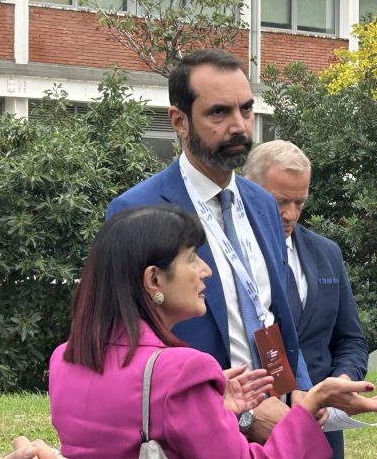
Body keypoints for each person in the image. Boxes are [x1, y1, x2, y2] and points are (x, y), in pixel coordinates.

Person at [49, 206, 377, 458]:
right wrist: (313, 402)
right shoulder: (182, 372)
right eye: (192, 257)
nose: (206, 271)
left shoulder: (65, 358)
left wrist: (214, 410)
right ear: (154, 279)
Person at [106, 49, 311, 442]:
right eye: (219, 113)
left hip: (278, 421)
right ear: (179, 121)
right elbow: (126, 348)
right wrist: (243, 417)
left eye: (246, 109)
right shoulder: (136, 211)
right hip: (196, 433)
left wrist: (297, 387)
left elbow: (273, 312)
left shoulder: (262, 203)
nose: (239, 126)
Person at [244, 140, 369, 459]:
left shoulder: (326, 253)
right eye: (280, 202)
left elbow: (351, 340)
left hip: (322, 435)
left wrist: (339, 384)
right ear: (248, 191)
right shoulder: (229, 262)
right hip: (254, 437)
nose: (291, 214)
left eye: (299, 202)